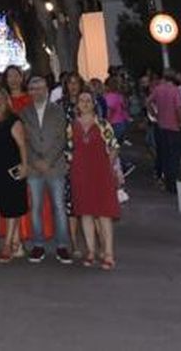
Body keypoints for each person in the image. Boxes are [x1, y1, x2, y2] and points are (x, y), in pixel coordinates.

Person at [19, 73, 72, 264]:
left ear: (47, 91)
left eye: (40, 88)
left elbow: (61, 138)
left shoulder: (57, 111)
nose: (36, 92)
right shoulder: (24, 113)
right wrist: (35, 161)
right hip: (34, 168)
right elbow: (24, 140)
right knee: (35, 208)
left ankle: (62, 246)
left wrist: (48, 160)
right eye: (32, 89)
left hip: (54, 166)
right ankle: (38, 245)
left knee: (59, 207)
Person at [66, 91, 121, 270]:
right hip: (80, 174)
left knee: (104, 213)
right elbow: (68, 151)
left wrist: (108, 166)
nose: (85, 103)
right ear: (77, 104)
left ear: (94, 104)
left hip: (101, 174)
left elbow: (114, 147)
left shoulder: (103, 124)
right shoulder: (71, 126)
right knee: (85, 213)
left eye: (88, 100)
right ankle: (91, 251)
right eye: (81, 100)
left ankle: (108, 253)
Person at [0, 88, 30, 262]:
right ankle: (17, 244)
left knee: (12, 207)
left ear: (6, 100)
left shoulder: (13, 120)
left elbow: (22, 145)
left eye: (1, 98)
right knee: (5, 206)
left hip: (12, 169)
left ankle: (7, 245)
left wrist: (25, 166)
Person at [149, 70, 181, 193]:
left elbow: (148, 101)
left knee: (164, 154)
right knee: (174, 155)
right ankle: (173, 183)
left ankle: (166, 180)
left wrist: (155, 114)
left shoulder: (158, 89)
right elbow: (178, 108)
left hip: (162, 126)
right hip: (174, 127)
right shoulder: (175, 90)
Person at [103, 79, 131, 146]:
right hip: (121, 123)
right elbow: (125, 107)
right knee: (116, 145)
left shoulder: (108, 97)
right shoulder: (120, 96)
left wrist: (105, 123)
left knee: (111, 145)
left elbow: (109, 111)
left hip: (113, 124)